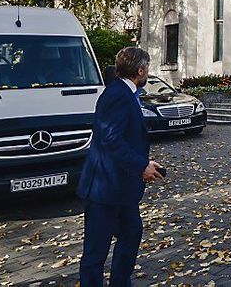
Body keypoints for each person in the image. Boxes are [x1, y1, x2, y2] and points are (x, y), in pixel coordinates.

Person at [78, 47, 163, 287]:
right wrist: (141, 166)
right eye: (147, 68)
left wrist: (142, 166)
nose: (148, 72)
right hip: (104, 188)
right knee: (96, 251)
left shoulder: (126, 92)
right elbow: (111, 139)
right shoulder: (117, 94)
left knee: (132, 233)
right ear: (140, 70)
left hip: (122, 188)